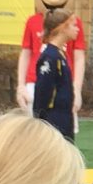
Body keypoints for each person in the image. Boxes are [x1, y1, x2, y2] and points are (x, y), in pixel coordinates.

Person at [16, 0, 84, 116]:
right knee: (36, 132)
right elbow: (25, 53)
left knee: (64, 135)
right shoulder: (32, 22)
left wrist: (77, 88)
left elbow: (79, 57)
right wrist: (21, 85)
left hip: (64, 84)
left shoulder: (74, 23)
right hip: (35, 82)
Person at [32, 9, 78, 143]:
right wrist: (40, 120)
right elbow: (43, 91)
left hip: (64, 116)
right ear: (63, 27)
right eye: (73, 25)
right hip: (54, 118)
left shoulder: (60, 54)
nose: (77, 29)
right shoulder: (50, 57)